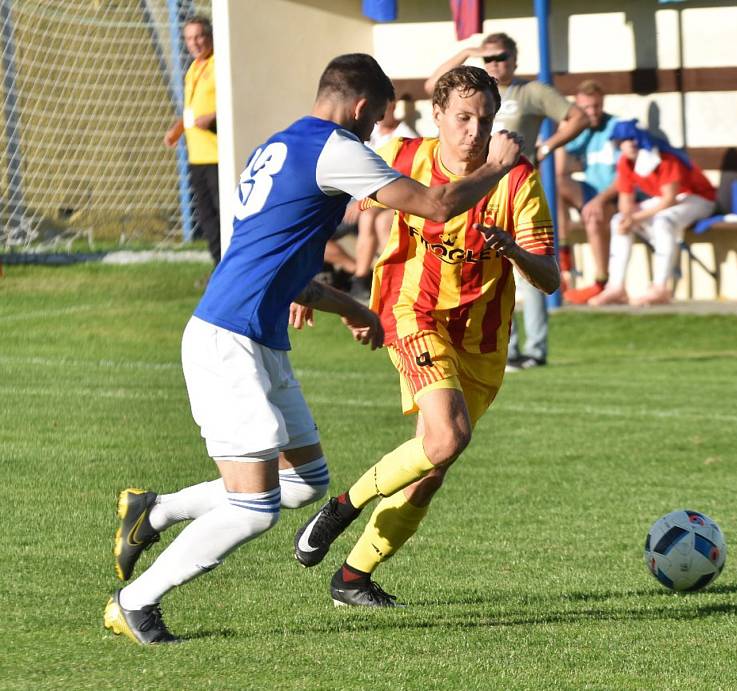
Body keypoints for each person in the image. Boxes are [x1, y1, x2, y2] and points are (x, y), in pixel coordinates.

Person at [103, 53, 522, 645]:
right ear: (358, 108)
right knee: (255, 508)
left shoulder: (277, 147)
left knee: (304, 482)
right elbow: (437, 205)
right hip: (228, 339)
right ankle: (135, 601)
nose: (378, 131)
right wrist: (499, 167)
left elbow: (277, 263)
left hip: (258, 337)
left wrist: (353, 308)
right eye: (377, 119)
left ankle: (157, 510)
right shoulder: (337, 148)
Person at [293, 66, 560, 608]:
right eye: (462, 118)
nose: (474, 131)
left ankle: (353, 577)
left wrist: (513, 251)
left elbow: (550, 277)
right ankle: (344, 506)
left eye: (484, 119)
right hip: (412, 313)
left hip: (482, 341)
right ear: (437, 116)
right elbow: (329, 205)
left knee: (433, 465)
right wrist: (301, 282)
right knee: (446, 438)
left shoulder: (516, 179)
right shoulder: (405, 157)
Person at [424, 32, 587, 372]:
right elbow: (433, 88)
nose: (495, 63)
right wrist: (467, 51)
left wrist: (546, 147)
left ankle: (536, 347)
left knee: (531, 261)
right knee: (487, 264)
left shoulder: (532, 92)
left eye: (501, 57)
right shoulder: (478, 93)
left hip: (517, 186)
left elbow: (578, 117)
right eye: (489, 58)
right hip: (481, 185)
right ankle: (504, 345)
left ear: (515, 59)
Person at [589, 119, 716, 307]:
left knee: (663, 221)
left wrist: (635, 218)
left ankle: (660, 288)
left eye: (634, 138)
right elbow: (626, 199)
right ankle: (616, 287)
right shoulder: (625, 162)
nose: (631, 143)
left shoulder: (664, 157)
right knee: (618, 221)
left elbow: (669, 199)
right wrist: (627, 218)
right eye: (625, 140)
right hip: (671, 201)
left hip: (699, 199)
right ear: (618, 143)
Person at [351, 97, 421, 302]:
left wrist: (363, 201)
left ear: (393, 107)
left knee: (378, 222)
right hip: (368, 197)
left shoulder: (407, 136)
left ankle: (380, 279)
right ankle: (362, 277)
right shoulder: (371, 133)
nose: (380, 116)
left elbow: (407, 176)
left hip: (392, 197)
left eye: (385, 109)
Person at [163, 15, 221, 265]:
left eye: (199, 36)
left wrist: (214, 118)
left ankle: (230, 273)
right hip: (197, 157)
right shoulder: (194, 69)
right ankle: (218, 270)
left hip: (218, 156)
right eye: (189, 38)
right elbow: (192, 111)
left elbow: (233, 101)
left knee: (223, 216)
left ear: (209, 36)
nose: (194, 42)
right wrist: (178, 129)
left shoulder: (220, 63)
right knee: (206, 219)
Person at [556, 80, 620, 304]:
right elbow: (559, 170)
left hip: (615, 196)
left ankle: (601, 282)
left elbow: (627, 177)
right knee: (555, 184)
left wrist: (600, 200)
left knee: (593, 217)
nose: (593, 112)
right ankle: (563, 257)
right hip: (590, 194)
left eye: (597, 106)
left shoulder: (616, 127)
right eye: (586, 108)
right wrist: (564, 133)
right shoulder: (580, 130)